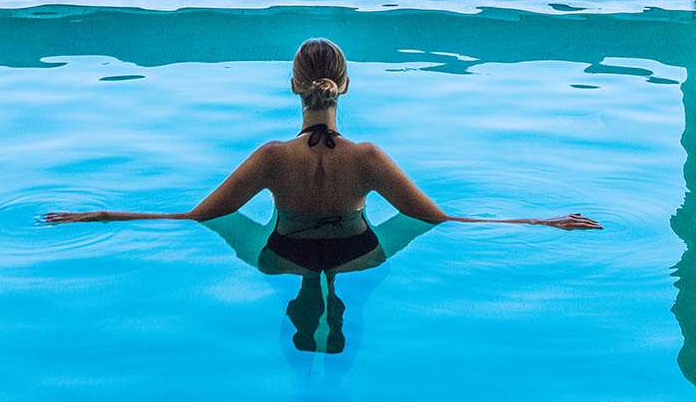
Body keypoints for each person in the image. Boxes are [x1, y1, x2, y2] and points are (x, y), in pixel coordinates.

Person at [44, 38, 601, 352]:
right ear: (345, 86)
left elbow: (195, 217)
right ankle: (335, 301)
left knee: (237, 231)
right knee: (397, 230)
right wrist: (540, 223)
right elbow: (441, 219)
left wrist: (102, 214)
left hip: (282, 255)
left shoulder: (271, 157)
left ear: (294, 86)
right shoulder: (368, 159)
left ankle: (308, 295)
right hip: (359, 254)